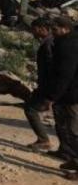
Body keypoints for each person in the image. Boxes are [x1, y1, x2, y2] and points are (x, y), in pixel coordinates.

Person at [43, 17, 78, 178]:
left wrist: (52, 97)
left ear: (65, 29)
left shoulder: (69, 45)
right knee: (64, 128)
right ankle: (72, 158)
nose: (53, 32)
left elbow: (65, 75)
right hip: (67, 94)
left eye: (55, 29)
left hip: (72, 95)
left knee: (73, 131)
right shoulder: (65, 42)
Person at [23, 17, 55, 152]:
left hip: (49, 86)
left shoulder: (49, 44)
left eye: (34, 29)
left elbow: (52, 68)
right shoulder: (49, 42)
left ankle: (44, 140)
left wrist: (50, 93)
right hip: (47, 85)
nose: (33, 32)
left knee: (31, 109)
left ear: (42, 29)